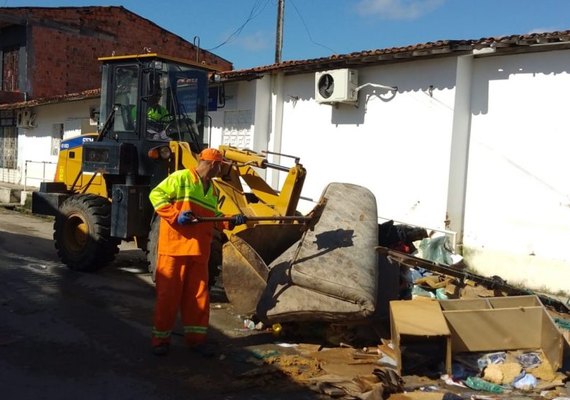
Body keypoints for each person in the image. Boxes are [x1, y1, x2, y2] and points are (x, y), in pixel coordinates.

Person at [148, 148, 246, 356]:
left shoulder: (212, 190)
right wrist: (176, 215)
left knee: (198, 298)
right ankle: (160, 340)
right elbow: (155, 195)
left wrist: (231, 219)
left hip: (199, 251)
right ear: (212, 164)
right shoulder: (181, 177)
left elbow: (213, 217)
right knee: (168, 297)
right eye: (219, 166)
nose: (220, 170)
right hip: (175, 249)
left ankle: (196, 340)